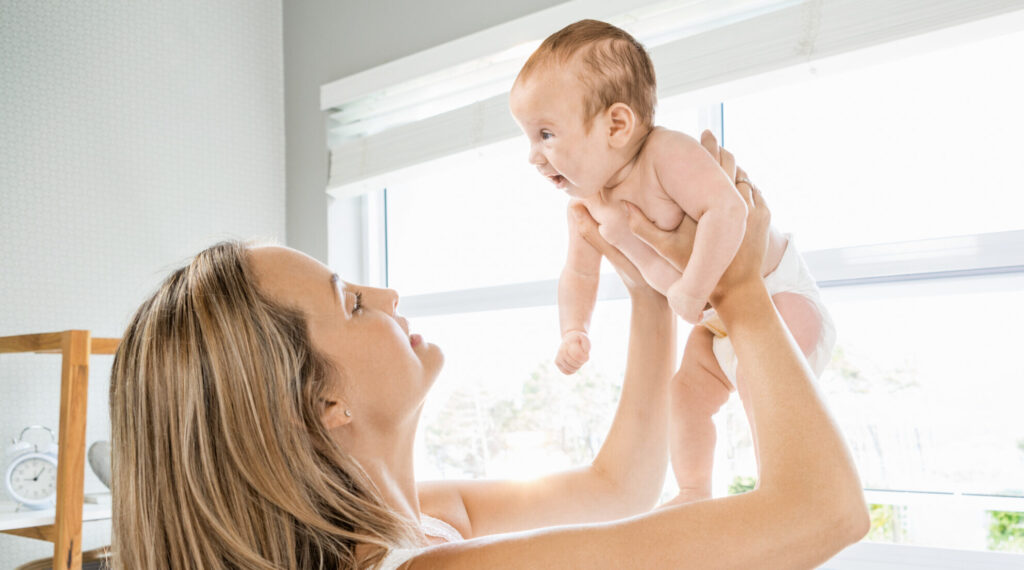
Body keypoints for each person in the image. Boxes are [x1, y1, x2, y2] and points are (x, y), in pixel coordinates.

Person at [109, 133, 867, 568]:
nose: (385, 296)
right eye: (350, 301)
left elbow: (620, 486)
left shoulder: (418, 521)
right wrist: (738, 292)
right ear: (323, 402)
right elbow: (823, 512)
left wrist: (643, 288)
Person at [508, 19, 836, 503]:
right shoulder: (587, 205)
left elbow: (729, 210)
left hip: (779, 295)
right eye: (529, 139)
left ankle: (779, 490)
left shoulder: (666, 153)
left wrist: (691, 287)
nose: (534, 157)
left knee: (756, 383)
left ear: (616, 125)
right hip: (715, 322)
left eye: (546, 134)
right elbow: (578, 272)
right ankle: (694, 491)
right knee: (682, 398)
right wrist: (574, 328)